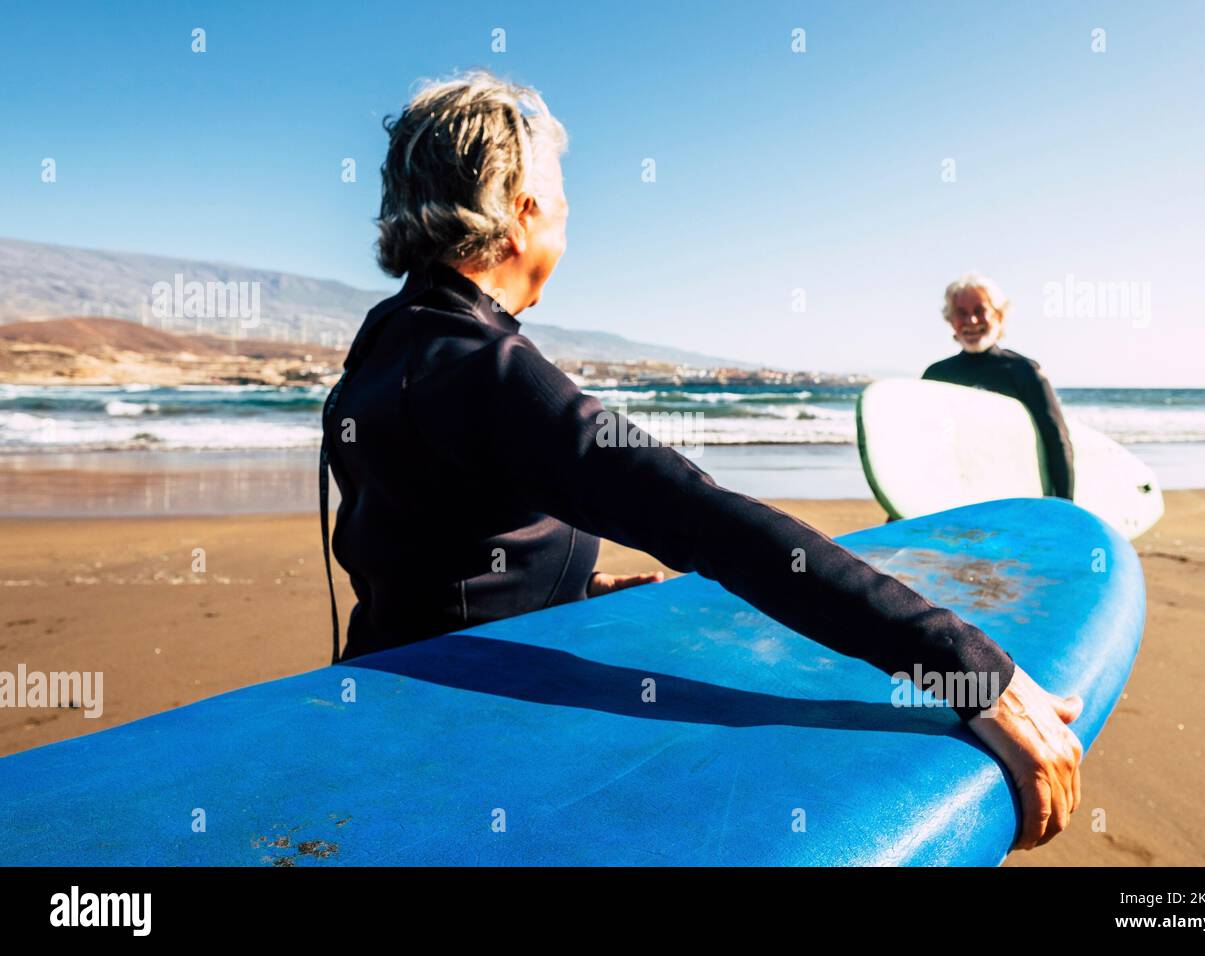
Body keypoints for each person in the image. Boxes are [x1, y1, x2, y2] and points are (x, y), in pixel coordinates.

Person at [320, 71, 1083, 850]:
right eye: (563, 206)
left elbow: (418, 536)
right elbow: (703, 519)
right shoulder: (482, 367)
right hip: (461, 738)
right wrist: (965, 666)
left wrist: (564, 586)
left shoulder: (385, 349)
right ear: (522, 213)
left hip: (387, 693)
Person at [923, 274, 1074, 500]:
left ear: (999, 315)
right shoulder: (936, 375)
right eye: (961, 313)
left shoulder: (1024, 372)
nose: (971, 321)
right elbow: (923, 445)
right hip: (954, 499)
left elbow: (1056, 441)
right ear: (950, 320)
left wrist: (1064, 507)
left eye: (980, 311)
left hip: (1008, 500)